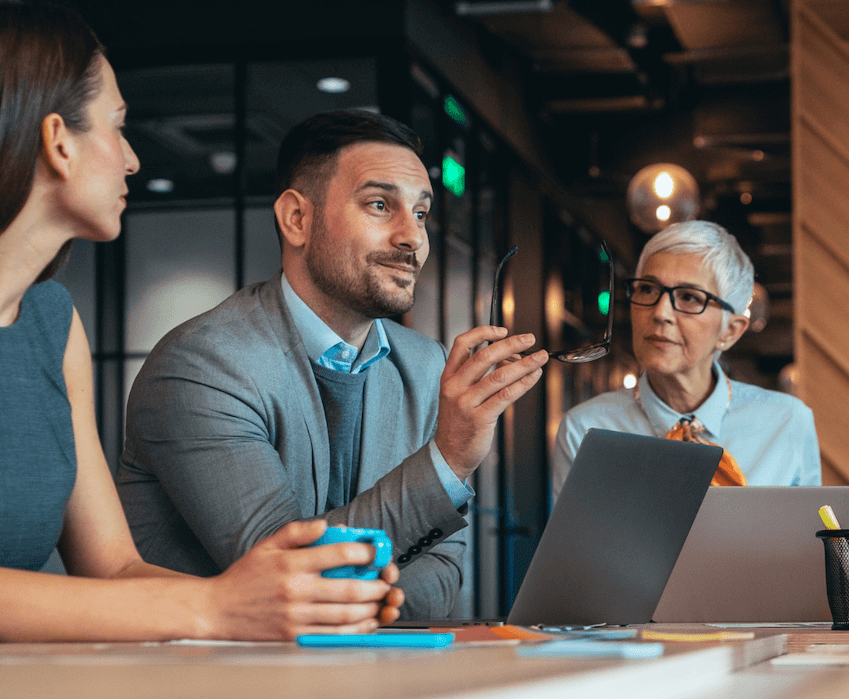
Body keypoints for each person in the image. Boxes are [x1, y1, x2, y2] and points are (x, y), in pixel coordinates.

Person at [0, 0, 403, 642]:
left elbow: (111, 568)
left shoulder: (51, 325)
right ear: (58, 140)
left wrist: (282, 602)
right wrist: (213, 610)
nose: (132, 159)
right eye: (115, 126)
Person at [116, 110, 548, 619]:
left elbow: (446, 570)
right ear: (297, 219)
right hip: (214, 686)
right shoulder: (203, 365)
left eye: (422, 213)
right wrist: (448, 461)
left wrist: (355, 600)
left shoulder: (427, 364)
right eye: (380, 205)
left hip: (370, 682)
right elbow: (294, 574)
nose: (412, 237)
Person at [551, 220, 819, 496]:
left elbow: (809, 537)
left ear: (730, 331)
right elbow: (574, 541)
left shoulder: (788, 423)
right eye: (648, 289)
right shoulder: (585, 429)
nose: (660, 312)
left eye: (690, 297)